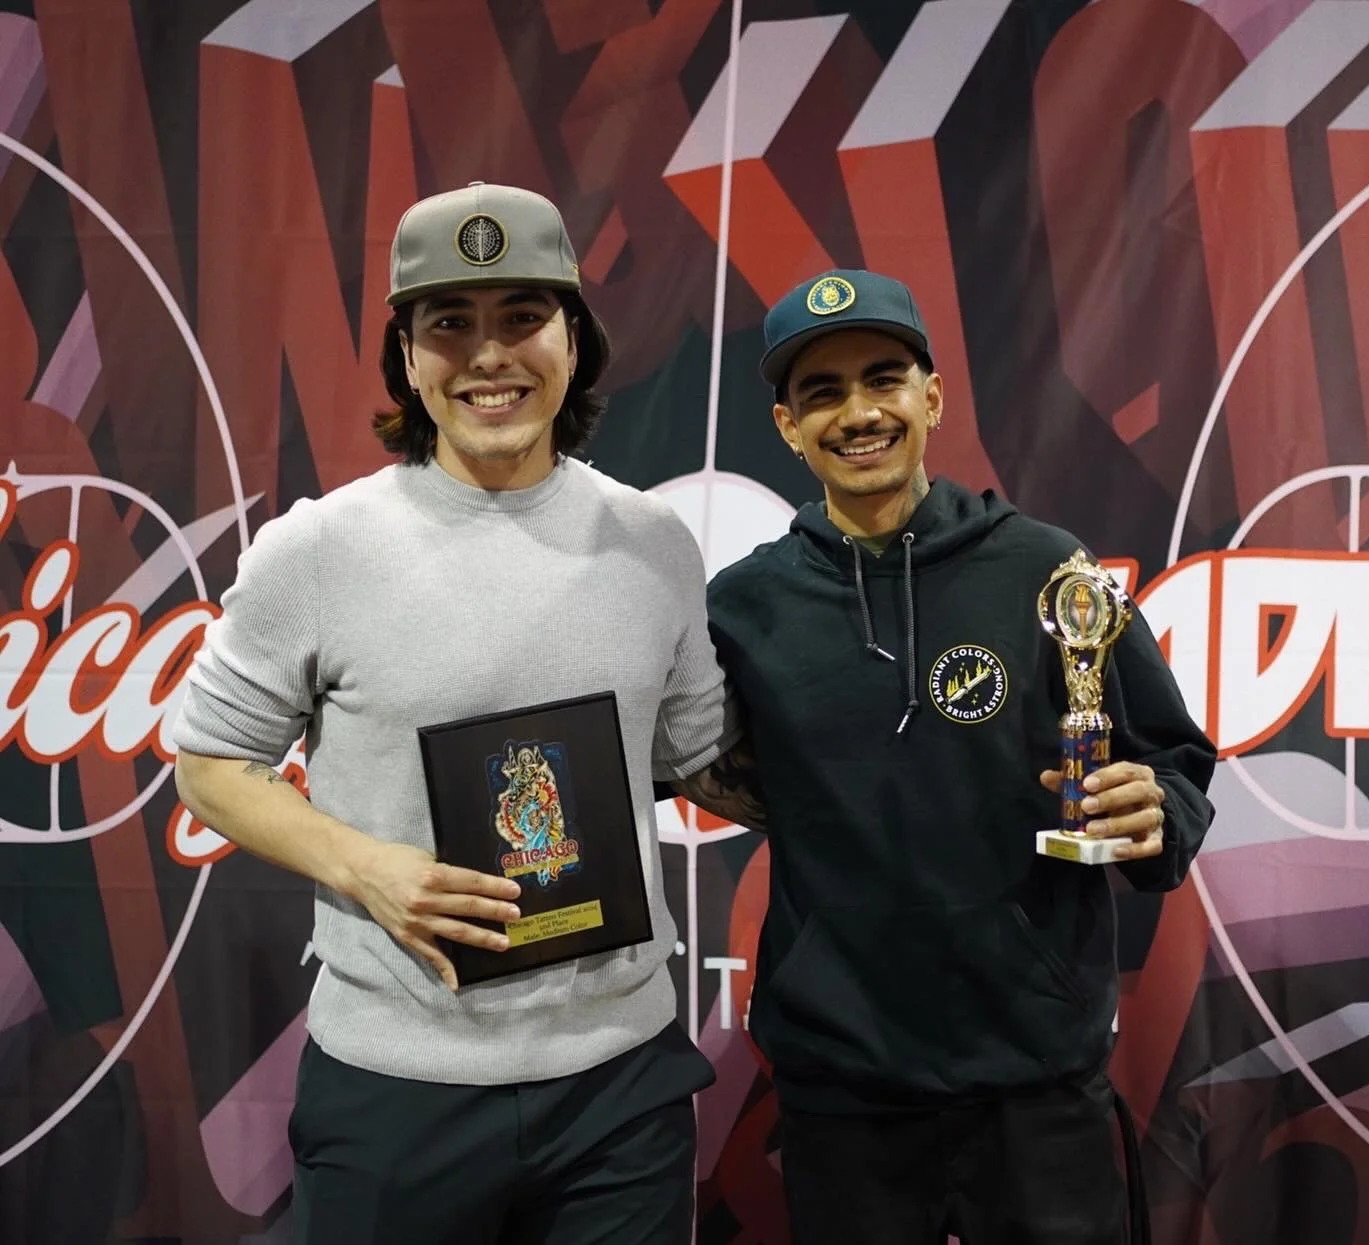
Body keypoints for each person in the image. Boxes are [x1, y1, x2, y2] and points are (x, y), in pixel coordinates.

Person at [172, 182, 742, 1245]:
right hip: (397, 1084)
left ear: (574, 339)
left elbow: (696, 755)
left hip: (620, 1084)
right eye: (449, 323)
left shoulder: (654, 541)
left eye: (522, 316)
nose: (488, 356)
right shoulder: (319, 550)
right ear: (406, 354)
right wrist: (366, 868)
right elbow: (209, 764)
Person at [701, 269, 1217, 1245]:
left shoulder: (1045, 568)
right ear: (787, 426)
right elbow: (673, 759)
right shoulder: (743, 606)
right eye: (823, 392)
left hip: (1033, 1082)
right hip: (843, 1089)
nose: (859, 412)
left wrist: (1157, 809)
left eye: (883, 378)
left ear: (932, 397)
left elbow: (1171, 756)